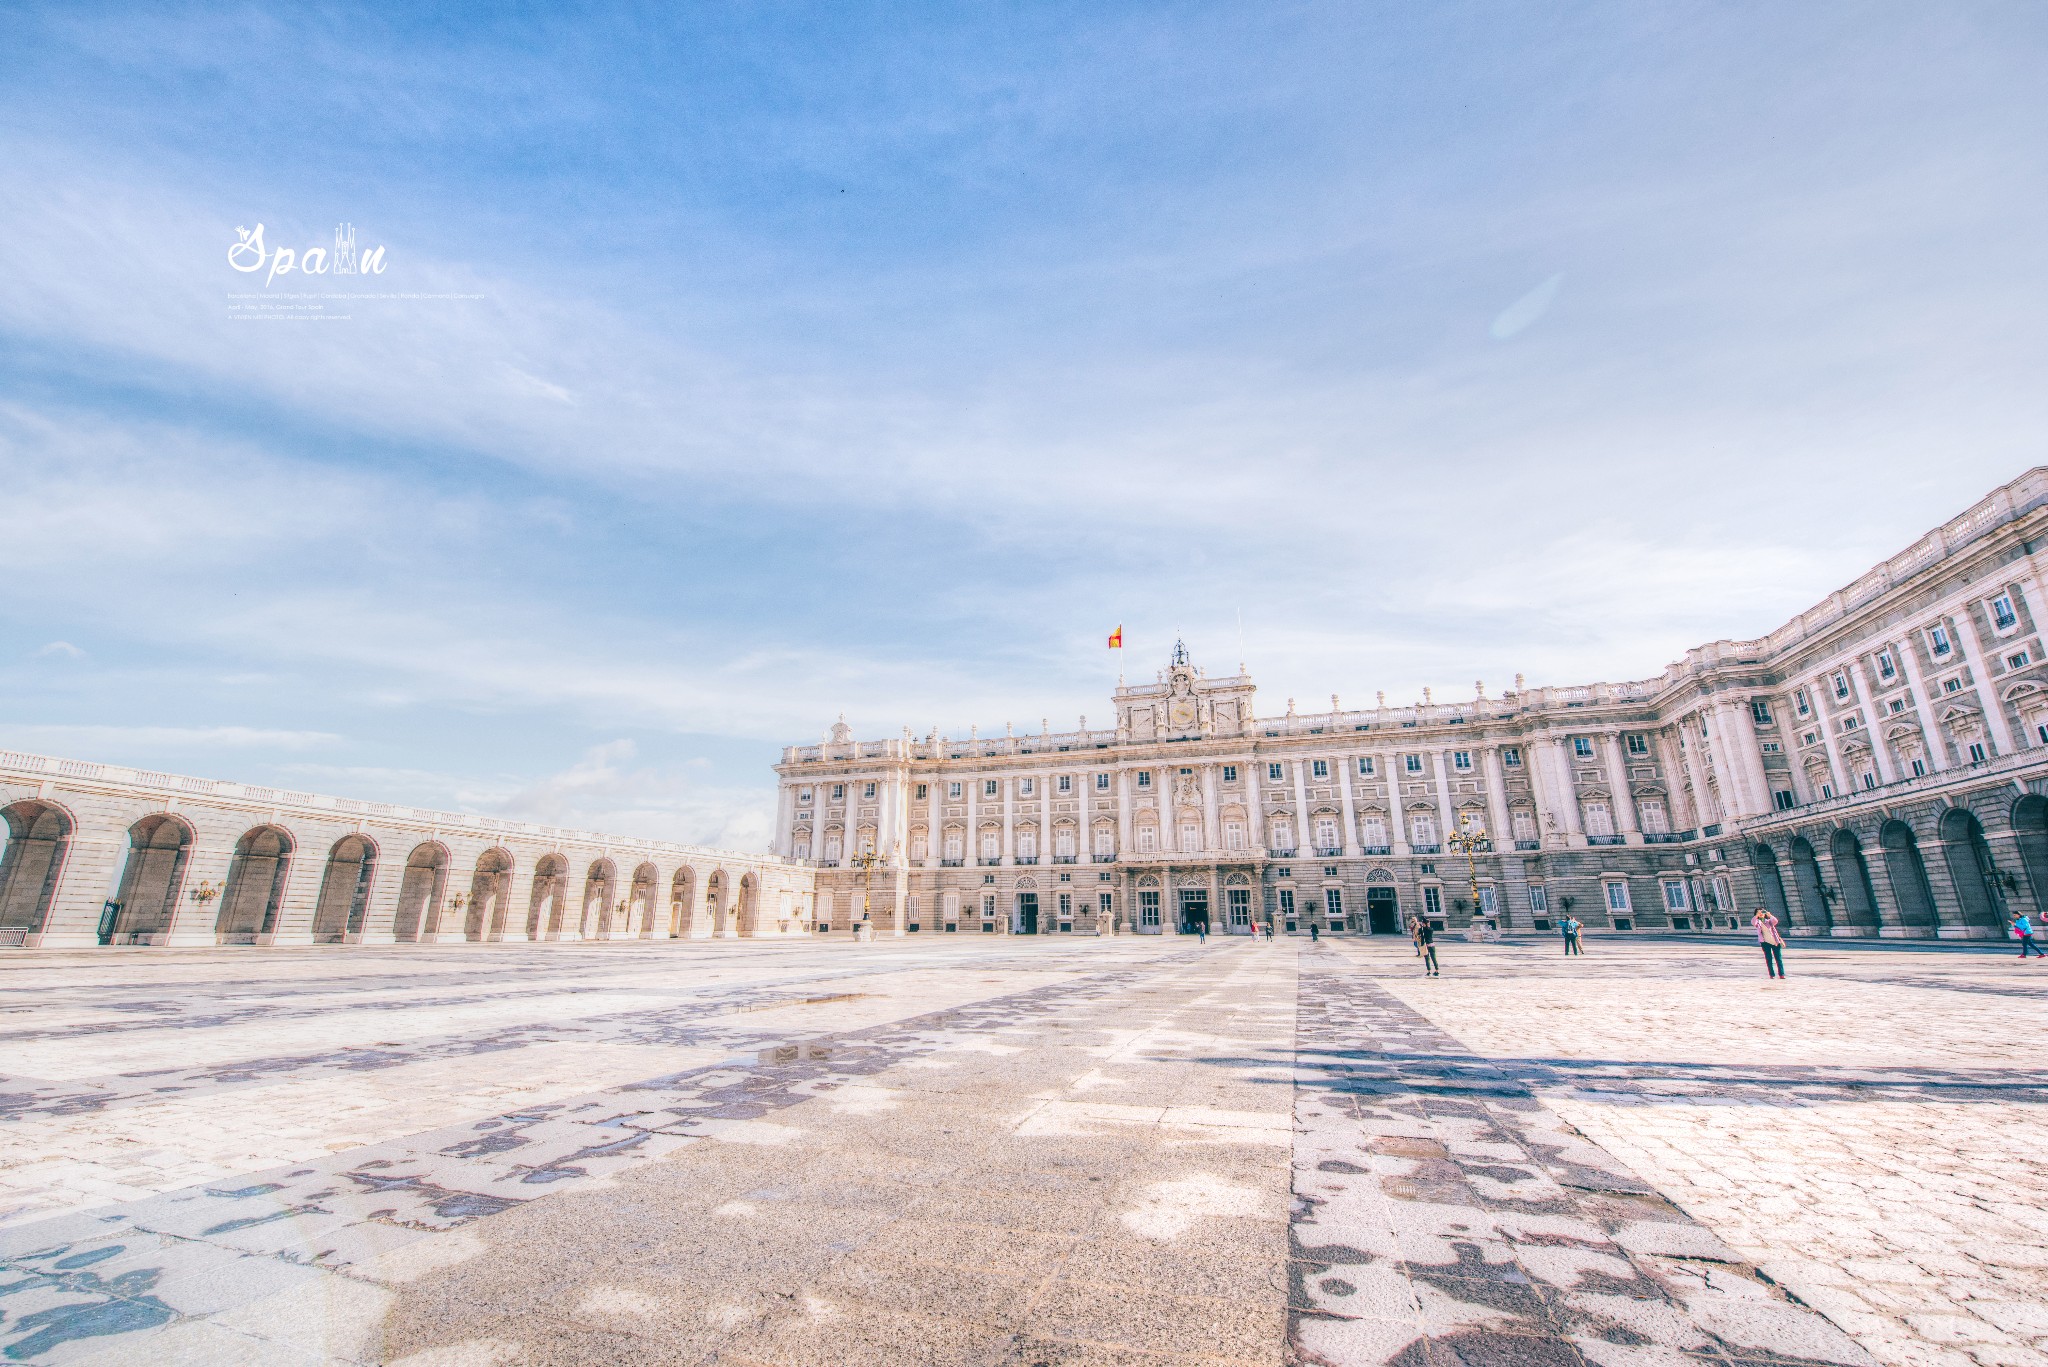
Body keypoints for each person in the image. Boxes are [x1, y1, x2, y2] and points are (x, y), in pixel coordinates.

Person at [1752, 906, 1785, 979]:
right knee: (1768, 959)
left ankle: (1781, 974)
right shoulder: (1758, 922)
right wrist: (1757, 915)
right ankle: (1771, 974)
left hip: (1775, 942)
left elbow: (1775, 921)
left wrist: (1769, 915)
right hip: (1765, 943)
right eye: (1758, 912)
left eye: (1761, 912)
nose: (1761, 913)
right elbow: (1753, 922)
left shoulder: (1769, 921)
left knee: (1778, 959)